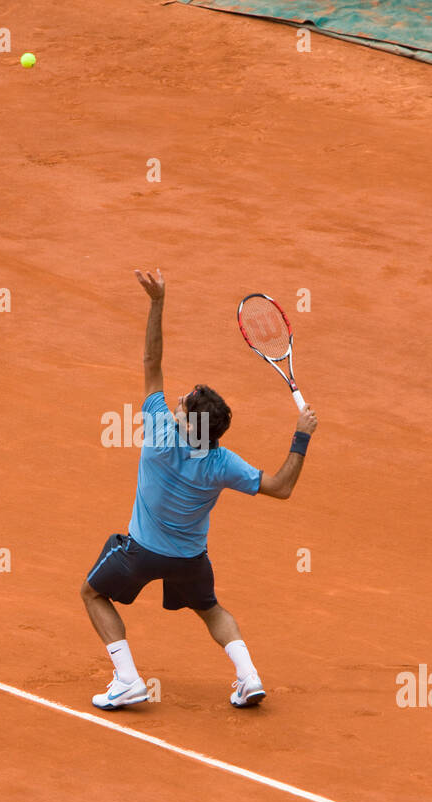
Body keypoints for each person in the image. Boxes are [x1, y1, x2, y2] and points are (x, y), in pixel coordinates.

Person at [81, 268, 318, 711]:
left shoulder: (158, 433)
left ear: (188, 422)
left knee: (93, 593)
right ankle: (248, 677)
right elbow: (282, 487)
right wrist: (301, 436)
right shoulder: (223, 463)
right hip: (190, 560)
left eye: (184, 403)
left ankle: (128, 678)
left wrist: (157, 303)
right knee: (211, 610)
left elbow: (152, 363)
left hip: (141, 552)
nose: (177, 401)